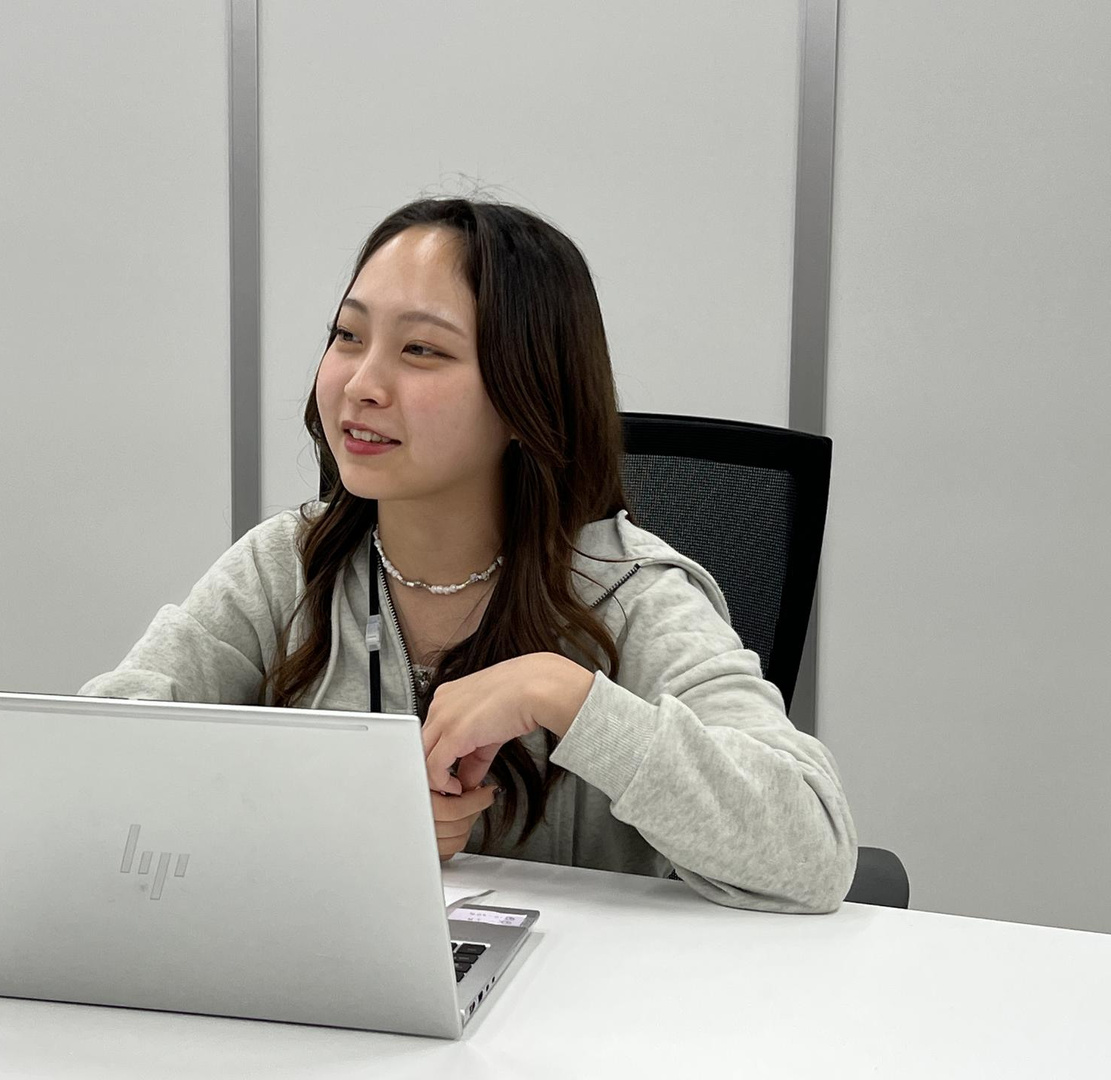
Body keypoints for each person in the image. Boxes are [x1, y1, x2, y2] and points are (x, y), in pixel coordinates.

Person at [80, 196, 857, 914]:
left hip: (581, 1002)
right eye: (348, 336)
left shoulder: (630, 594)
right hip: (341, 988)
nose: (362, 384)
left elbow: (815, 849)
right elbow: (96, 762)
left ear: (526, 394)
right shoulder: (288, 565)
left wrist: (569, 698)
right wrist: (334, 812)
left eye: (421, 349)